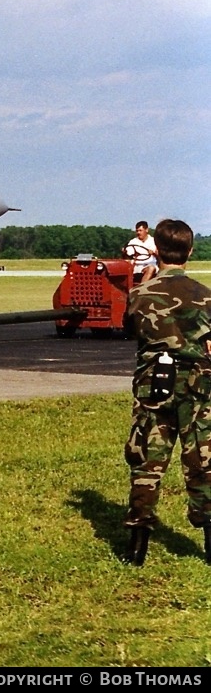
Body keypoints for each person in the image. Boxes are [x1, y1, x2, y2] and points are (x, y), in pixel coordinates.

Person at [120, 218, 211, 566]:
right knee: (202, 460)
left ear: (156, 250)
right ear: (190, 251)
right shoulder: (204, 295)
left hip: (153, 385)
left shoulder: (140, 294)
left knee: (147, 460)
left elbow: (135, 333)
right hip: (196, 387)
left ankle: (137, 546)